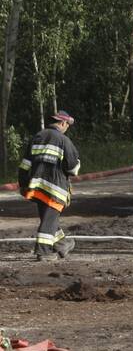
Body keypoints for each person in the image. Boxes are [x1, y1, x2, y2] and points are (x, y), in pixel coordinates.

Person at [18, 110, 80, 261]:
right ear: (63, 123)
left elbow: (25, 165)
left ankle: (62, 244)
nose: (67, 128)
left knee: (48, 218)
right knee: (48, 220)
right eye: (67, 125)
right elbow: (72, 168)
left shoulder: (37, 137)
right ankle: (43, 253)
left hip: (37, 187)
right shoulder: (63, 140)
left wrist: (23, 184)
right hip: (55, 188)